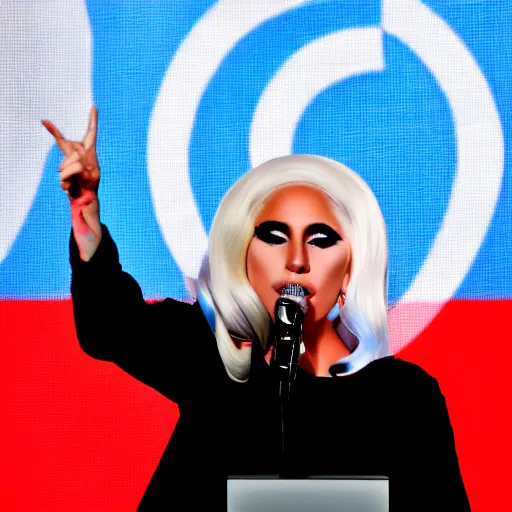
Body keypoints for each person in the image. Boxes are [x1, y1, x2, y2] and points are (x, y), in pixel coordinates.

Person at [42, 108, 471, 511]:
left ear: (350, 270)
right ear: (243, 256)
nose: (297, 259)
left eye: (321, 239)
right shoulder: (219, 363)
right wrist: (86, 215)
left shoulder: (404, 399)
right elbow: (110, 325)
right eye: (274, 236)